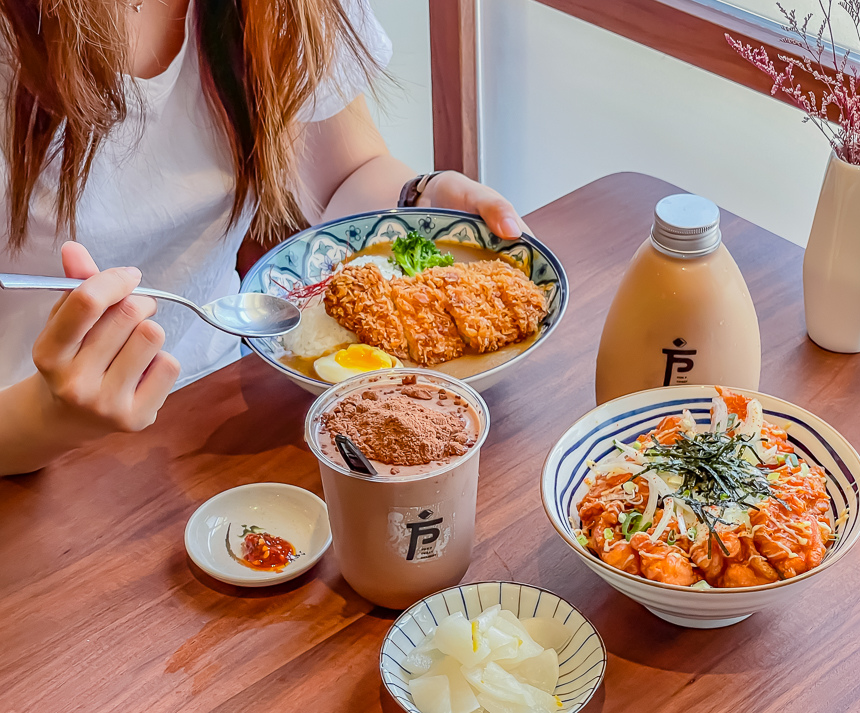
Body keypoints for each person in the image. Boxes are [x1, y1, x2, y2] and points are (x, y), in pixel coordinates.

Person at [0, 0, 527, 476]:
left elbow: (347, 174)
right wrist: (48, 417)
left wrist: (418, 204)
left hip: (222, 403)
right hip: (32, 465)